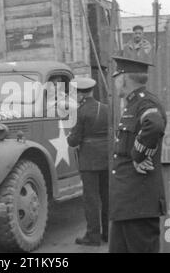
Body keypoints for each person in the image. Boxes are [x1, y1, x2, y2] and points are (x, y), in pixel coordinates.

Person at [109, 56, 167, 253]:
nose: (115, 83)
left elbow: (155, 125)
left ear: (124, 78)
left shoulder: (145, 103)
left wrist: (138, 156)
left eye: (116, 78)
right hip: (126, 205)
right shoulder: (132, 105)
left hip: (139, 204)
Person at [67, 77, 109, 246]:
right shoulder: (105, 108)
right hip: (106, 158)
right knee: (106, 197)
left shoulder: (79, 112)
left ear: (80, 94)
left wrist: (70, 137)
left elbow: (74, 141)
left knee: (90, 200)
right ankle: (107, 233)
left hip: (89, 161)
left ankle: (93, 236)